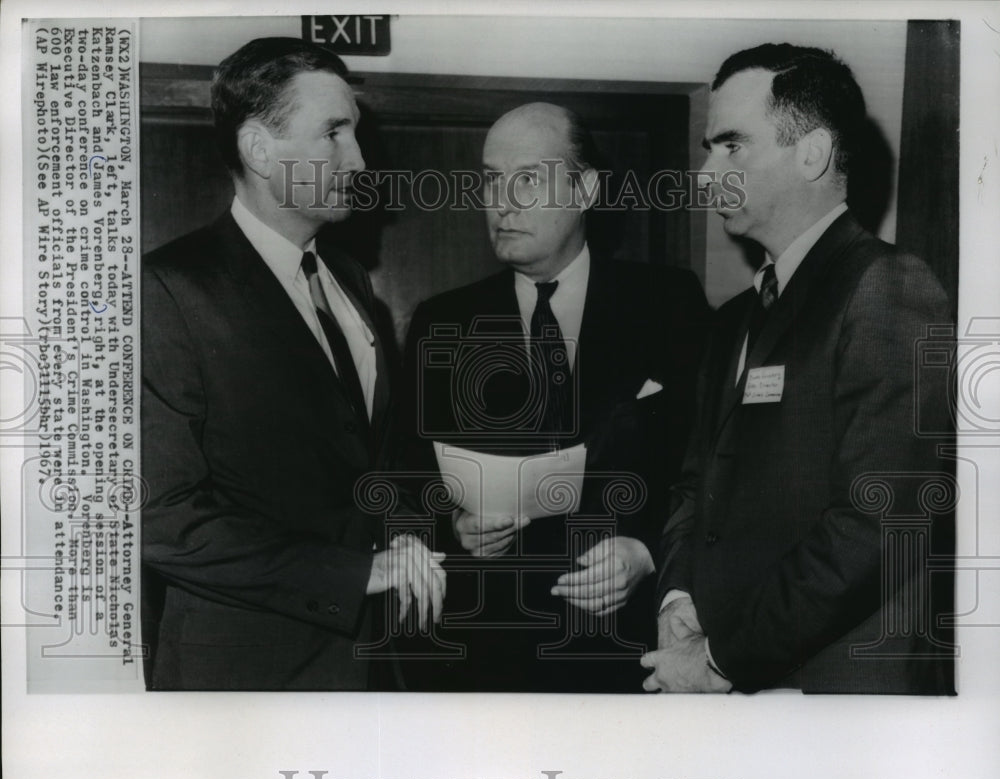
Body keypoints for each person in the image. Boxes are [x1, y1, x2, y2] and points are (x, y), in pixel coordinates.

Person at [642, 44, 954, 695]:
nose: (704, 173)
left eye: (731, 146)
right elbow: (696, 486)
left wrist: (722, 657)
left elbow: (876, 520)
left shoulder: (888, 286)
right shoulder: (735, 317)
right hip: (736, 675)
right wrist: (677, 598)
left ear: (810, 154)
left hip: (834, 688)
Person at [141, 37, 445, 690]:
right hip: (244, 681)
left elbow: (368, 458)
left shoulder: (348, 278)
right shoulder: (168, 289)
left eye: (354, 133)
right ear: (258, 148)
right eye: (333, 132)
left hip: (368, 665)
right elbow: (162, 520)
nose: (359, 159)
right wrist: (355, 573)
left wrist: (410, 533)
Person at [399, 102, 711, 692]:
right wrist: (454, 527)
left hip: (624, 653)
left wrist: (646, 549)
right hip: (484, 657)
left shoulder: (669, 304)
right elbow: (405, 474)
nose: (503, 202)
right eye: (492, 180)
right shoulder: (442, 321)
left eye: (527, 180)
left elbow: (706, 465)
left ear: (586, 188)